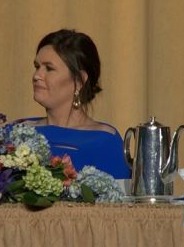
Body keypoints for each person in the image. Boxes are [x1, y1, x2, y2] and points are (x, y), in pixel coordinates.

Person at [19, 29, 131, 183]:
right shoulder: (16, 132)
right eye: (37, 66)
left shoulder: (104, 142)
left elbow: (119, 204)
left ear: (79, 81)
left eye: (49, 68)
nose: (36, 76)